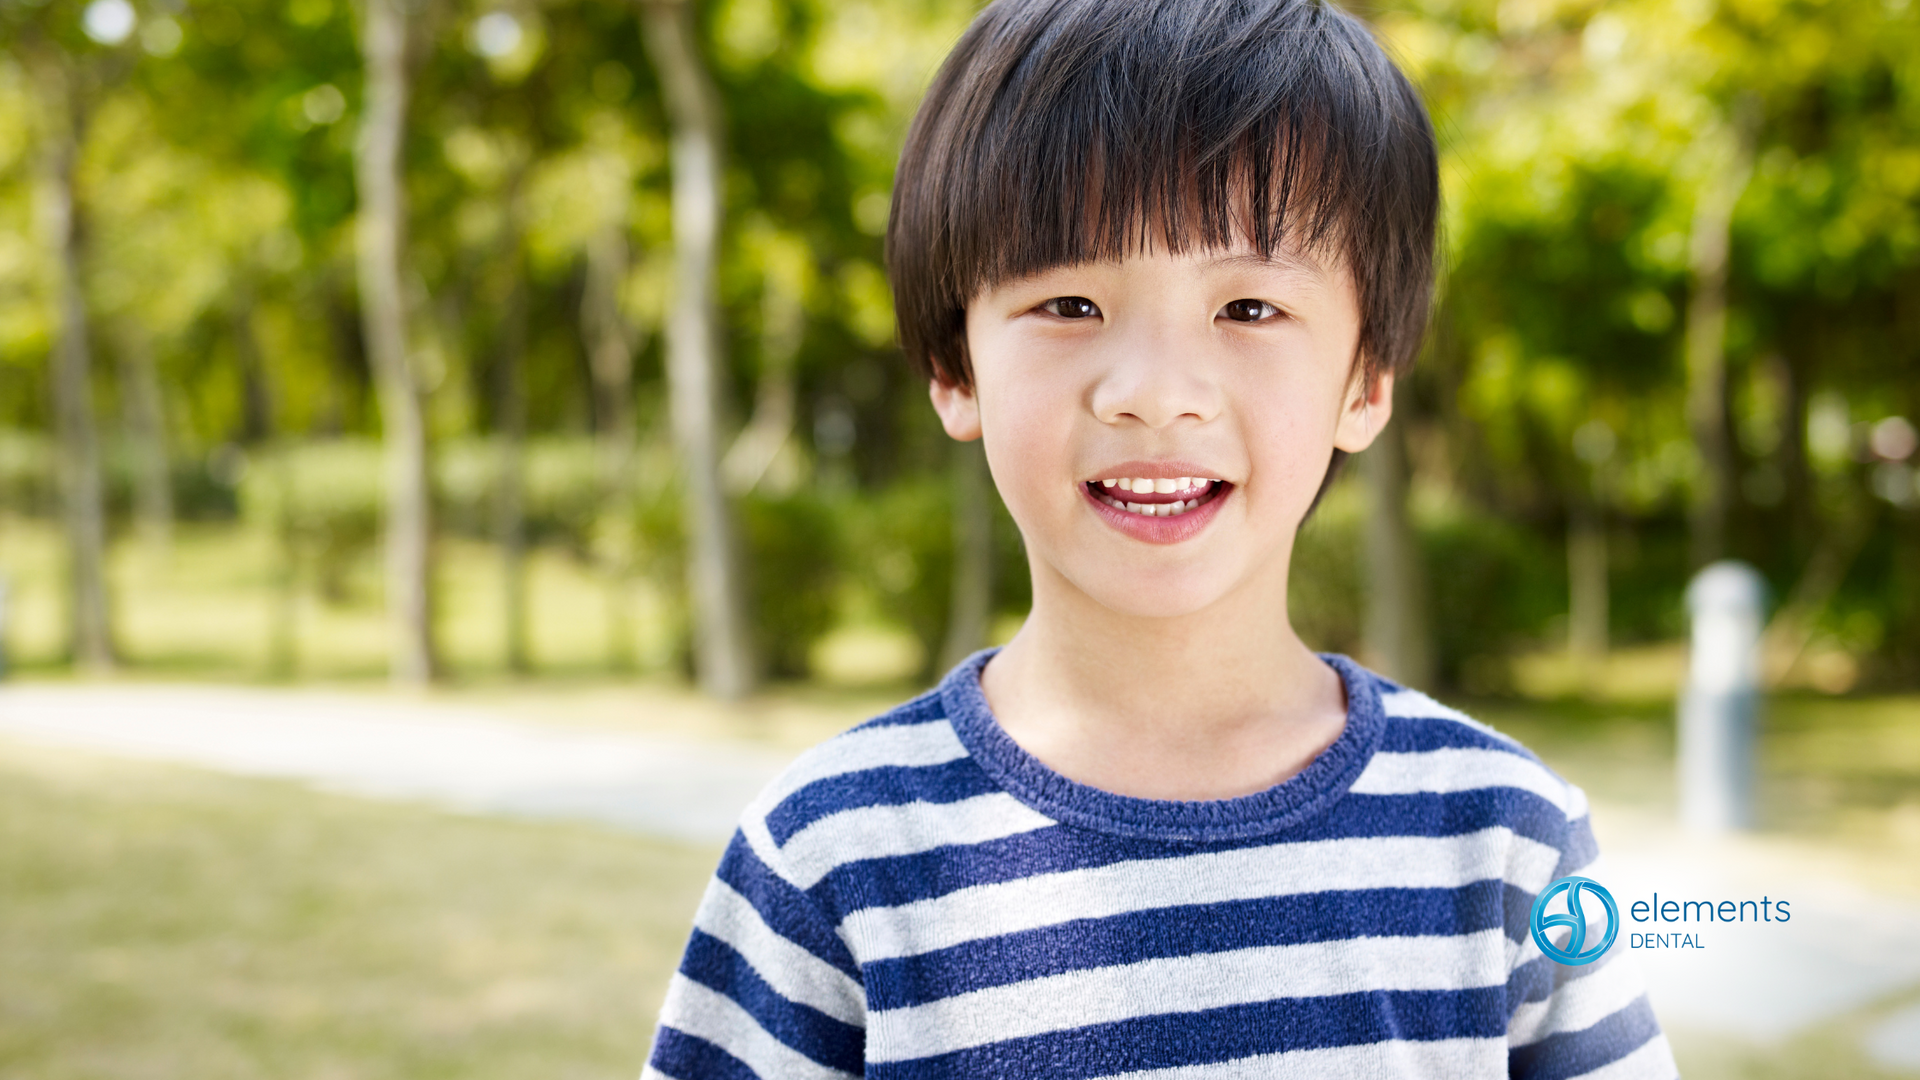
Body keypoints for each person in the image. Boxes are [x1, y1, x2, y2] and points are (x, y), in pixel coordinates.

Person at [643, 0, 1675, 1076]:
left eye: (1250, 311)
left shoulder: (1506, 837)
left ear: (1366, 383)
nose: (1155, 395)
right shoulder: (831, 854)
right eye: (1073, 303)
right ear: (955, 368)